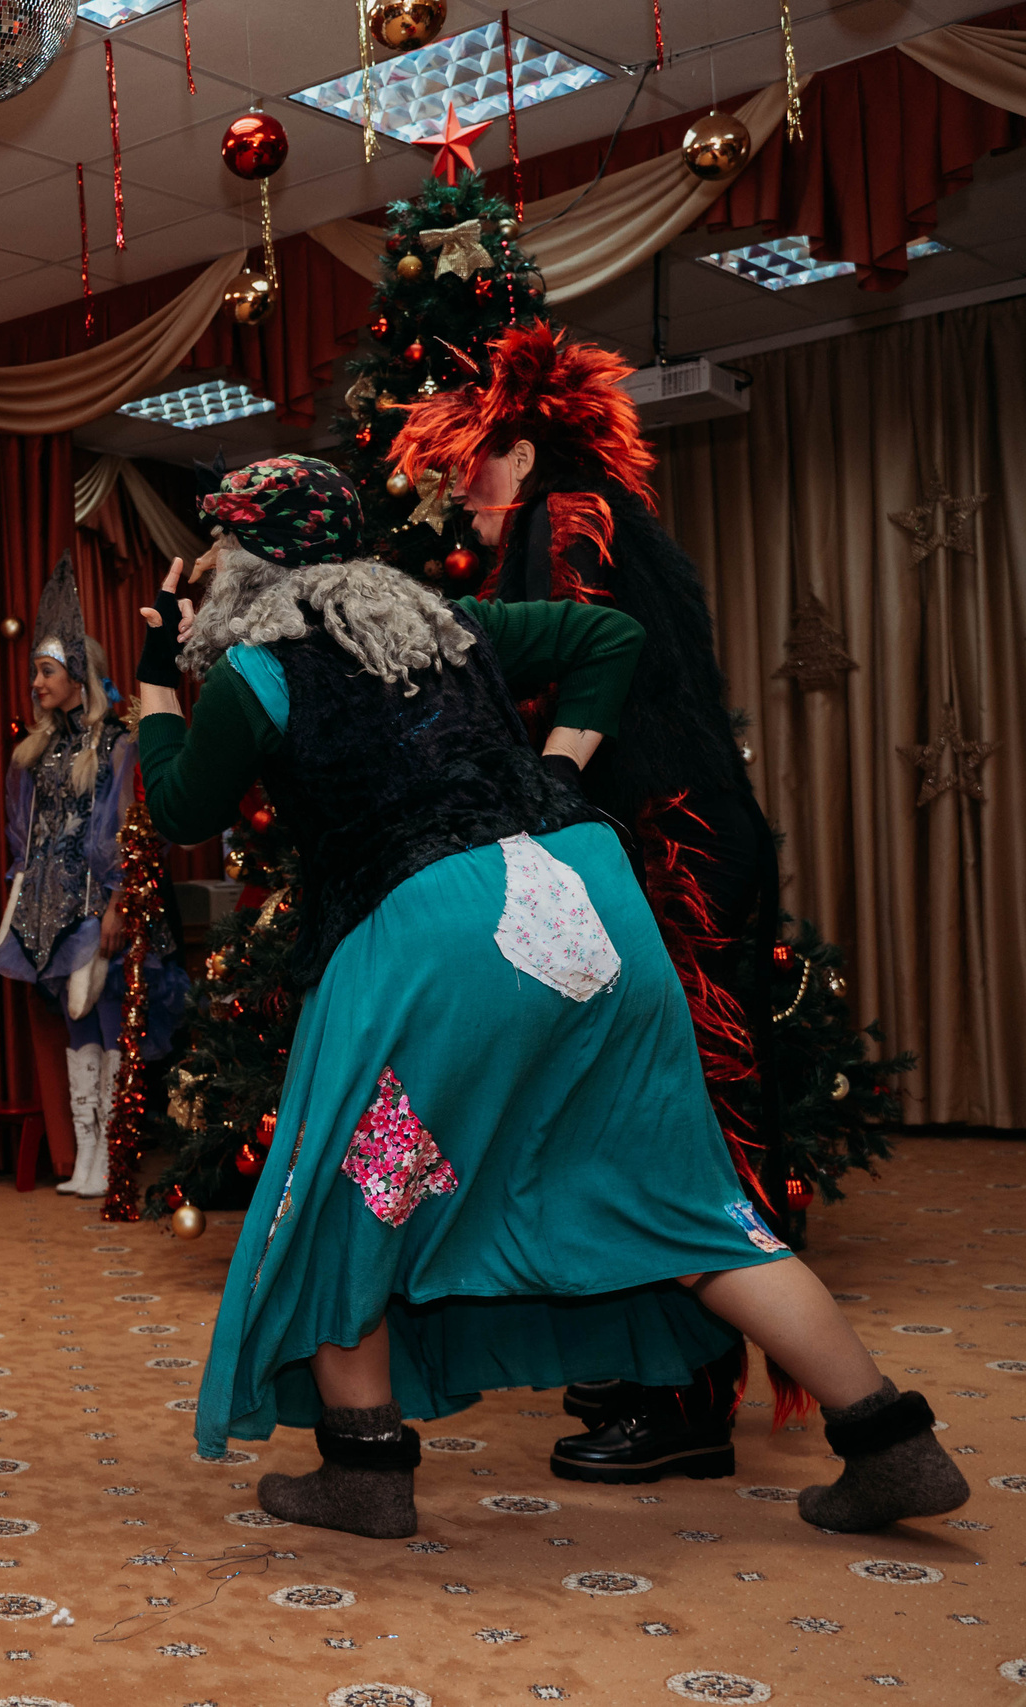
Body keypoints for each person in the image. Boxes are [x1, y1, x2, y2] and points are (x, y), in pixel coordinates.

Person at [131, 453, 966, 1540]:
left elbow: (186, 804)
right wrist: (559, 768)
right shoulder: (447, 623)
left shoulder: (258, 670)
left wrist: (154, 673)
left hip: (432, 942)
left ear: (243, 562)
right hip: (582, 908)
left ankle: (365, 1469)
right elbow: (610, 636)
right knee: (676, 1194)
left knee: (359, 1191)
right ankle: (888, 1442)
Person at [398, 323, 784, 1482]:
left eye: (455, 473)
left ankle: (686, 1399)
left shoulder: (570, 524)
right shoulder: (588, 519)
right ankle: (654, 1381)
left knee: (674, 1124)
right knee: (637, 1122)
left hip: (667, 867)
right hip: (666, 858)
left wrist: (545, 786)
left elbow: (596, 668)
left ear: (509, 444)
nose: (452, 507)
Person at [0, 555, 138, 1198]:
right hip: (47, 907)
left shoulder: (115, 743)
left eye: (45, 672)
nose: (35, 684)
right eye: (33, 673)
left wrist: (118, 903)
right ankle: (83, 1155)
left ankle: (111, 1154)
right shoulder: (38, 748)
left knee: (103, 1016)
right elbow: (26, 835)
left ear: (78, 674)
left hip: (92, 906)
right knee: (74, 1022)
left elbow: (124, 829)